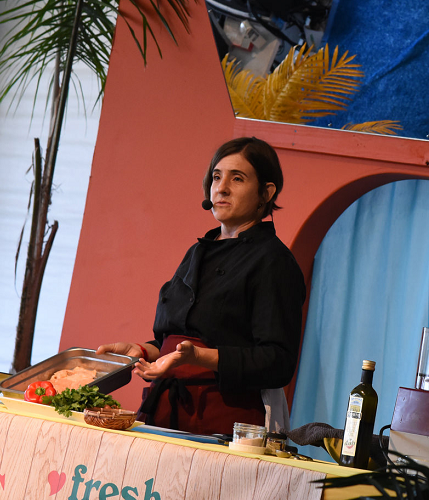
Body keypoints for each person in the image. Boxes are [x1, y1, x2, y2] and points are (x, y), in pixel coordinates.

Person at [97, 137, 307, 434]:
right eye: (217, 177)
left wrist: (200, 357)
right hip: (166, 409)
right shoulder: (197, 252)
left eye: (237, 178)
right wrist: (144, 350)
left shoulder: (274, 261)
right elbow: (178, 340)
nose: (222, 188)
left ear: (266, 192)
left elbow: (277, 362)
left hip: (228, 419)